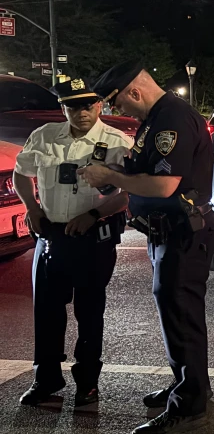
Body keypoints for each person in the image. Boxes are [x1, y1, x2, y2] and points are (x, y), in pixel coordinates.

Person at [79, 64, 214, 434]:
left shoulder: (171, 118)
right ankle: (190, 386)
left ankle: (189, 407)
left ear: (134, 93)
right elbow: (146, 168)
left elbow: (164, 186)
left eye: (121, 103)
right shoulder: (159, 116)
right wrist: (117, 168)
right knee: (175, 312)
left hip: (182, 232)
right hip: (168, 232)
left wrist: (110, 177)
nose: (124, 111)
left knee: (181, 315)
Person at [13, 78, 132, 407]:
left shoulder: (117, 142)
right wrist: (32, 208)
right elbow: (21, 172)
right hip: (51, 235)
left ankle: (88, 383)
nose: (81, 112)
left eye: (88, 105)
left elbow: (125, 194)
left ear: (99, 105)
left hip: (93, 237)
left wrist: (93, 215)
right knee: (47, 312)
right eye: (73, 106)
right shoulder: (45, 135)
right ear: (62, 107)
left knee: (90, 312)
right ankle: (47, 379)